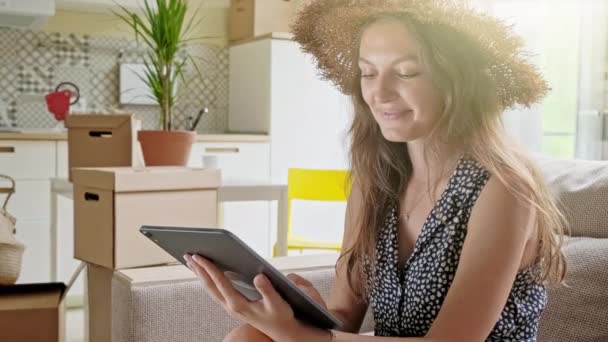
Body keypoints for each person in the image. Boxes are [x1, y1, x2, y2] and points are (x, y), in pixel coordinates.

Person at [183, 0, 567, 341]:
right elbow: (345, 317)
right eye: (368, 73)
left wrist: (304, 338)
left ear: (458, 81)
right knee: (249, 336)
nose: (379, 93)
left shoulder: (504, 189)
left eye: (406, 72)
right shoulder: (377, 184)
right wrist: (300, 313)